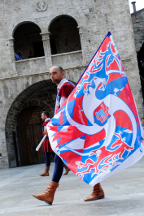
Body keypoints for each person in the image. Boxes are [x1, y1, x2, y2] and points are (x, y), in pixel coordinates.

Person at [32, 66, 104, 205]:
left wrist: (51, 125)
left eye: (55, 73)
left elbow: (64, 111)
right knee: (64, 158)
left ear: (62, 73)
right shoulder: (63, 87)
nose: (52, 76)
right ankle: (51, 193)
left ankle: (96, 189)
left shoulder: (66, 86)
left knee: (79, 159)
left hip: (73, 131)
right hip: (71, 130)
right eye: (50, 74)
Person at [40, 111, 55, 176]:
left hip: (48, 141)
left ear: (45, 116)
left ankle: (65, 167)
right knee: (48, 156)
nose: (41, 117)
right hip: (46, 141)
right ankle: (46, 171)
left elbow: (48, 132)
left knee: (53, 156)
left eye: (42, 115)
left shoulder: (48, 122)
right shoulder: (47, 122)